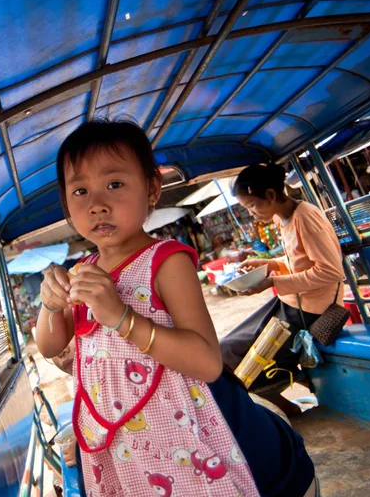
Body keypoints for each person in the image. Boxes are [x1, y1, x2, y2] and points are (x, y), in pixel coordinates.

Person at [36, 119, 319, 496]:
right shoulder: (82, 272)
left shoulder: (165, 261)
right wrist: (51, 305)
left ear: (152, 188)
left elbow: (206, 362)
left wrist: (122, 318)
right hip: (122, 444)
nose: (97, 205)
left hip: (185, 434)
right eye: (80, 191)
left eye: (115, 184)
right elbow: (50, 347)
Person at [220, 163, 345, 415]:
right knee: (226, 350)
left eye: (252, 206)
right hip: (289, 304)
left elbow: (331, 271)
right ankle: (290, 402)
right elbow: (300, 261)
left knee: (250, 370)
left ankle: (291, 412)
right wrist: (269, 264)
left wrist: (274, 282)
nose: (252, 215)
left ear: (270, 195)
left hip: (311, 310)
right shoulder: (283, 218)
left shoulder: (306, 217)